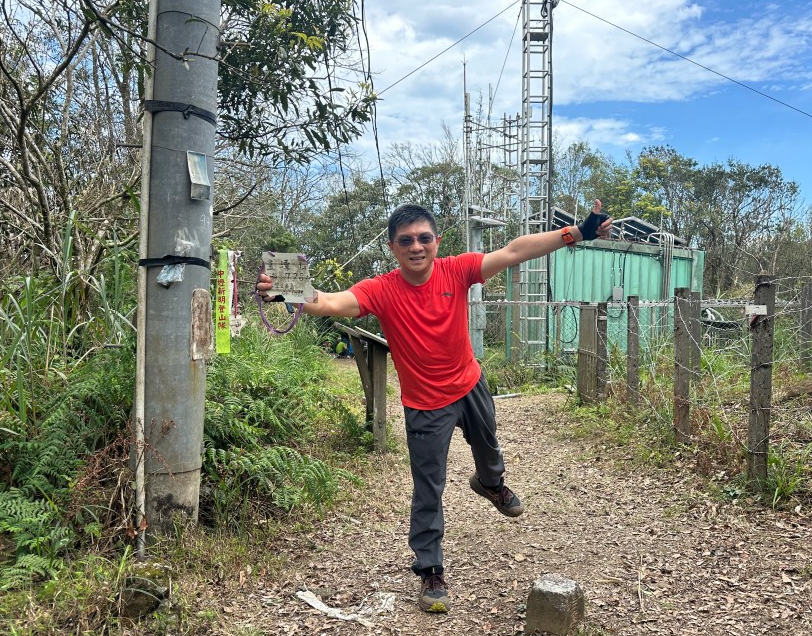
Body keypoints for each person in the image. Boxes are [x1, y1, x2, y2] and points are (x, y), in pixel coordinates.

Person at [256, 202, 612, 613]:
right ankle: (430, 570)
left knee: (490, 451)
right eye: (406, 240)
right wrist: (287, 288)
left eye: (424, 238)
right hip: (425, 405)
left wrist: (575, 233)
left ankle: (490, 484)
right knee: (429, 489)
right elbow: (330, 302)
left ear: (437, 242)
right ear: (392, 247)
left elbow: (514, 251)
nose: (417, 247)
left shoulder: (456, 270)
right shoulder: (381, 289)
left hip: (469, 384)